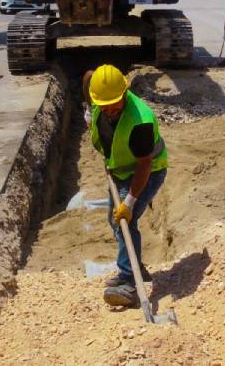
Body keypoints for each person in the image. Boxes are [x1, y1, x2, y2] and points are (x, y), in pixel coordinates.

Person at [82, 64, 168, 308]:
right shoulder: (99, 97)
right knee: (115, 220)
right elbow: (87, 77)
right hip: (121, 168)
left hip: (147, 171)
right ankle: (134, 265)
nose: (110, 111)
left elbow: (144, 164)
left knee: (125, 222)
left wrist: (129, 202)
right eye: (104, 106)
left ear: (124, 93)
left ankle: (129, 284)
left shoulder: (140, 121)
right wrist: (88, 112)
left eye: (115, 105)